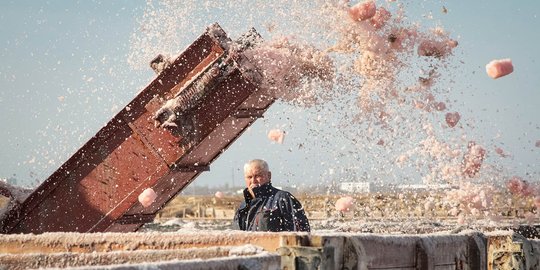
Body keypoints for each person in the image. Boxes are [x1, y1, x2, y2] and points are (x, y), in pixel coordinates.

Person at [232, 159, 310, 232]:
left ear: (269, 176)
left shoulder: (283, 199)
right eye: (249, 177)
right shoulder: (242, 207)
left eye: (258, 176)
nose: (253, 181)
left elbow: (301, 234)